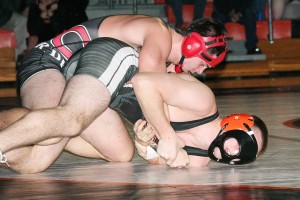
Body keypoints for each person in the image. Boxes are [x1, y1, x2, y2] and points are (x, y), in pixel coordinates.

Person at [0, 15, 229, 173]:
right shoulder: (158, 32)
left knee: (118, 153)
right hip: (51, 61)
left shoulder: (163, 59)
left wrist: (146, 140)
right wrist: (167, 137)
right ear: (193, 47)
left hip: (83, 76)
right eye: (204, 64)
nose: (200, 72)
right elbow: (146, 89)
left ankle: (19, 129)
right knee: (61, 125)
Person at [131, 72, 268, 167]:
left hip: (117, 106)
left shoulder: (196, 162)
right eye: (240, 144)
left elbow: (156, 160)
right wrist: (166, 134)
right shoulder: (204, 103)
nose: (233, 153)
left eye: (244, 153)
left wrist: (143, 144)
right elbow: (142, 81)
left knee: (121, 156)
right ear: (234, 124)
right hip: (126, 71)